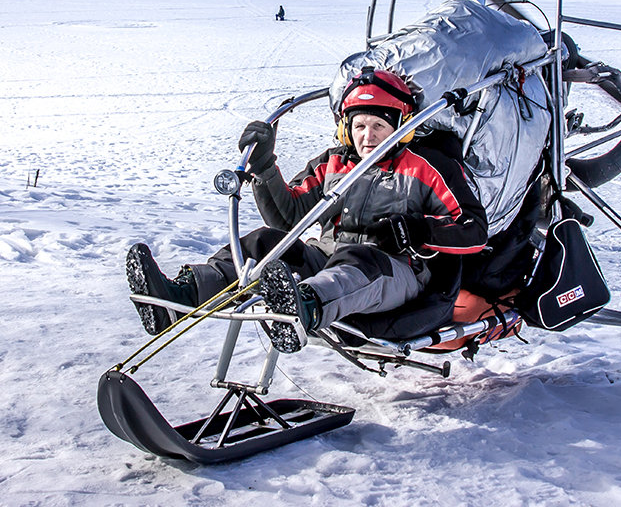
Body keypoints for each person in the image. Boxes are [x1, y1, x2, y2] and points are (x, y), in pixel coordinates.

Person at [127, 68, 487, 352]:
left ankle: (303, 307)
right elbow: (288, 218)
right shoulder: (335, 164)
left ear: (400, 127)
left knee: (361, 261)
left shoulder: (427, 166)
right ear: (346, 128)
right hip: (330, 258)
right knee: (264, 243)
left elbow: (473, 229)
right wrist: (264, 166)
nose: (368, 136)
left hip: (397, 271)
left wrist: (420, 231)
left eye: (379, 126)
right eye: (359, 126)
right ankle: (176, 299)